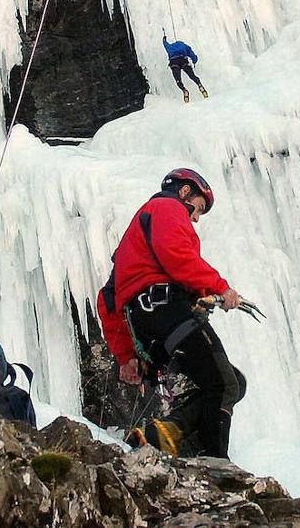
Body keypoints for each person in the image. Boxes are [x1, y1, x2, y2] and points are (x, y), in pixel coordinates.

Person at [96, 168, 246, 458]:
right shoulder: (166, 207)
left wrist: (127, 357)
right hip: (167, 312)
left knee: (232, 382)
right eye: (198, 208)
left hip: (149, 325)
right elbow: (177, 254)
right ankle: (217, 462)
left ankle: (166, 435)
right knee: (222, 383)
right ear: (185, 191)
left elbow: (109, 301)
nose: (195, 218)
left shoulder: (131, 245)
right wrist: (220, 288)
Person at [161, 34, 208, 103]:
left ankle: (184, 90)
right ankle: (199, 85)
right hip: (183, 60)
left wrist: (164, 39)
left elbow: (165, 44)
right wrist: (194, 61)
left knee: (178, 80)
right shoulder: (185, 46)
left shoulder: (170, 47)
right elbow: (192, 55)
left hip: (174, 62)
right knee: (192, 76)